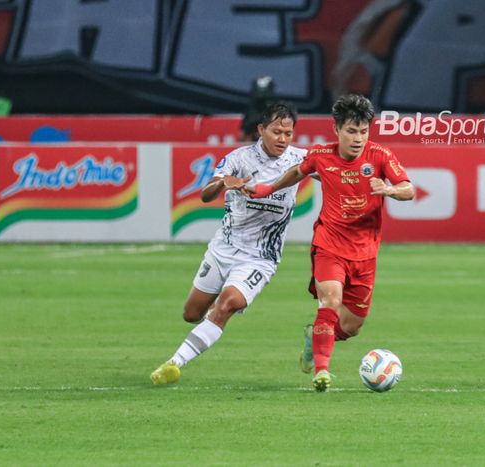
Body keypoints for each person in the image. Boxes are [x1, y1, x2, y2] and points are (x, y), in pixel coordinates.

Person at [245, 94, 415, 392]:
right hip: (330, 245)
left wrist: (388, 190)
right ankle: (322, 371)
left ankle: (315, 339)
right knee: (330, 302)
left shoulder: (380, 156)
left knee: (351, 326)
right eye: (351, 131)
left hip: (365, 253)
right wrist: (268, 188)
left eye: (363, 131)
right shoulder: (321, 154)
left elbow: (409, 189)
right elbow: (299, 171)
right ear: (336, 129)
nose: (358, 138)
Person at [150, 101, 305, 385]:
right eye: (276, 132)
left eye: (288, 133)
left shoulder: (300, 161)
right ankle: (208, 324)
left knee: (227, 305)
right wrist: (224, 183)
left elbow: (335, 170)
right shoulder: (238, 158)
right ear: (261, 129)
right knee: (191, 313)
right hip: (223, 250)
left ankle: (174, 363)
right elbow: (205, 195)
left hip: (260, 258)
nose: (282, 139)